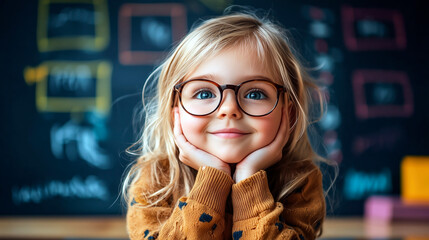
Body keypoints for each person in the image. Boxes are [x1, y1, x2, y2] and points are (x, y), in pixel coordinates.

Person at [123, 9, 335, 240]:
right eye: (204, 93)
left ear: (289, 114)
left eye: (255, 94)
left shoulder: (300, 184)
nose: (229, 109)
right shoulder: (155, 182)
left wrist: (249, 182)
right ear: (177, 113)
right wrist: (212, 181)